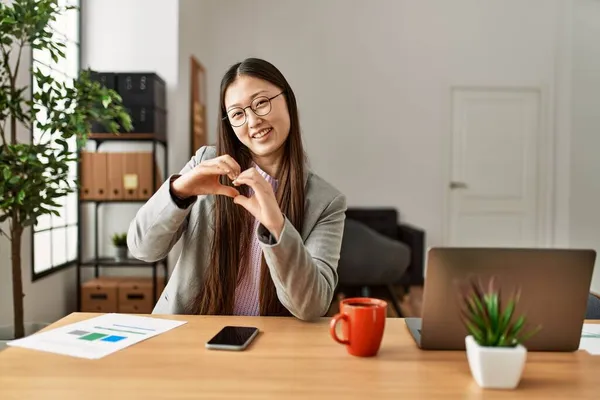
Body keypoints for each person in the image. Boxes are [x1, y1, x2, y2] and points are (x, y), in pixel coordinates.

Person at [127, 57, 347, 321]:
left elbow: (311, 306)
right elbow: (142, 249)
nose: (253, 121)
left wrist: (276, 225)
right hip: (191, 333)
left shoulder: (326, 202)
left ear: (287, 100)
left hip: (273, 343)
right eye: (238, 114)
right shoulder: (207, 164)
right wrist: (181, 190)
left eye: (261, 103)